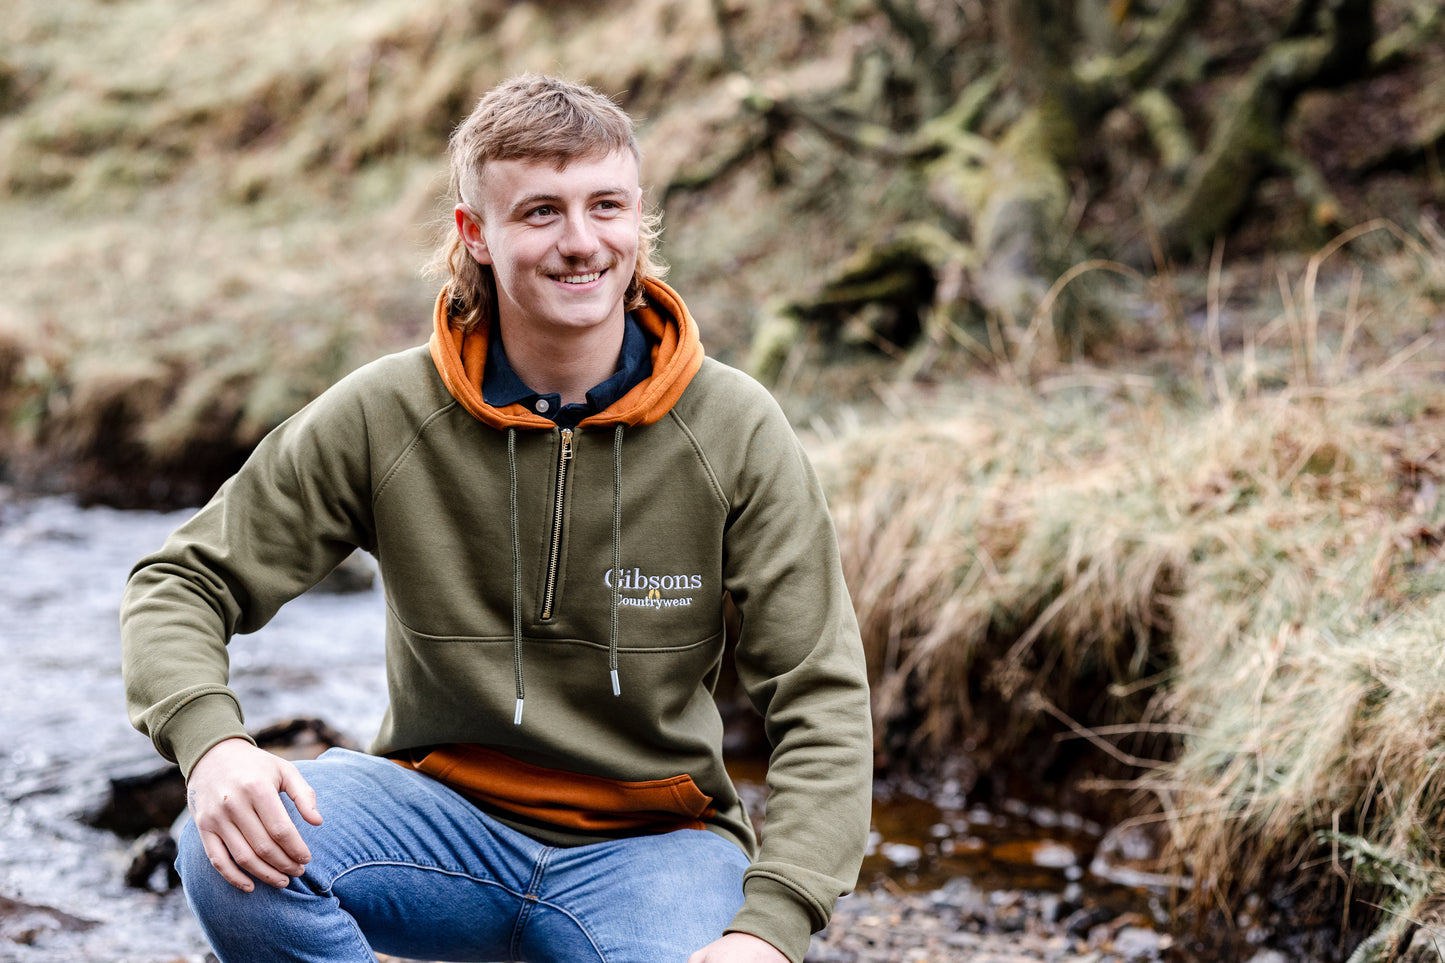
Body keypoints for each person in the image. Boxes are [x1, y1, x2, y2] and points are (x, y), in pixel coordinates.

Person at [121, 73, 872, 963]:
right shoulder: (386, 413)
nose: (582, 241)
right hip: (433, 826)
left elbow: (821, 697)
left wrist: (771, 928)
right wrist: (213, 749)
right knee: (227, 852)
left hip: (655, 849)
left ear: (640, 221)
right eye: (541, 212)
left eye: (606, 206)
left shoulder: (734, 426)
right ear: (474, 233)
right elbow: (181, 582)